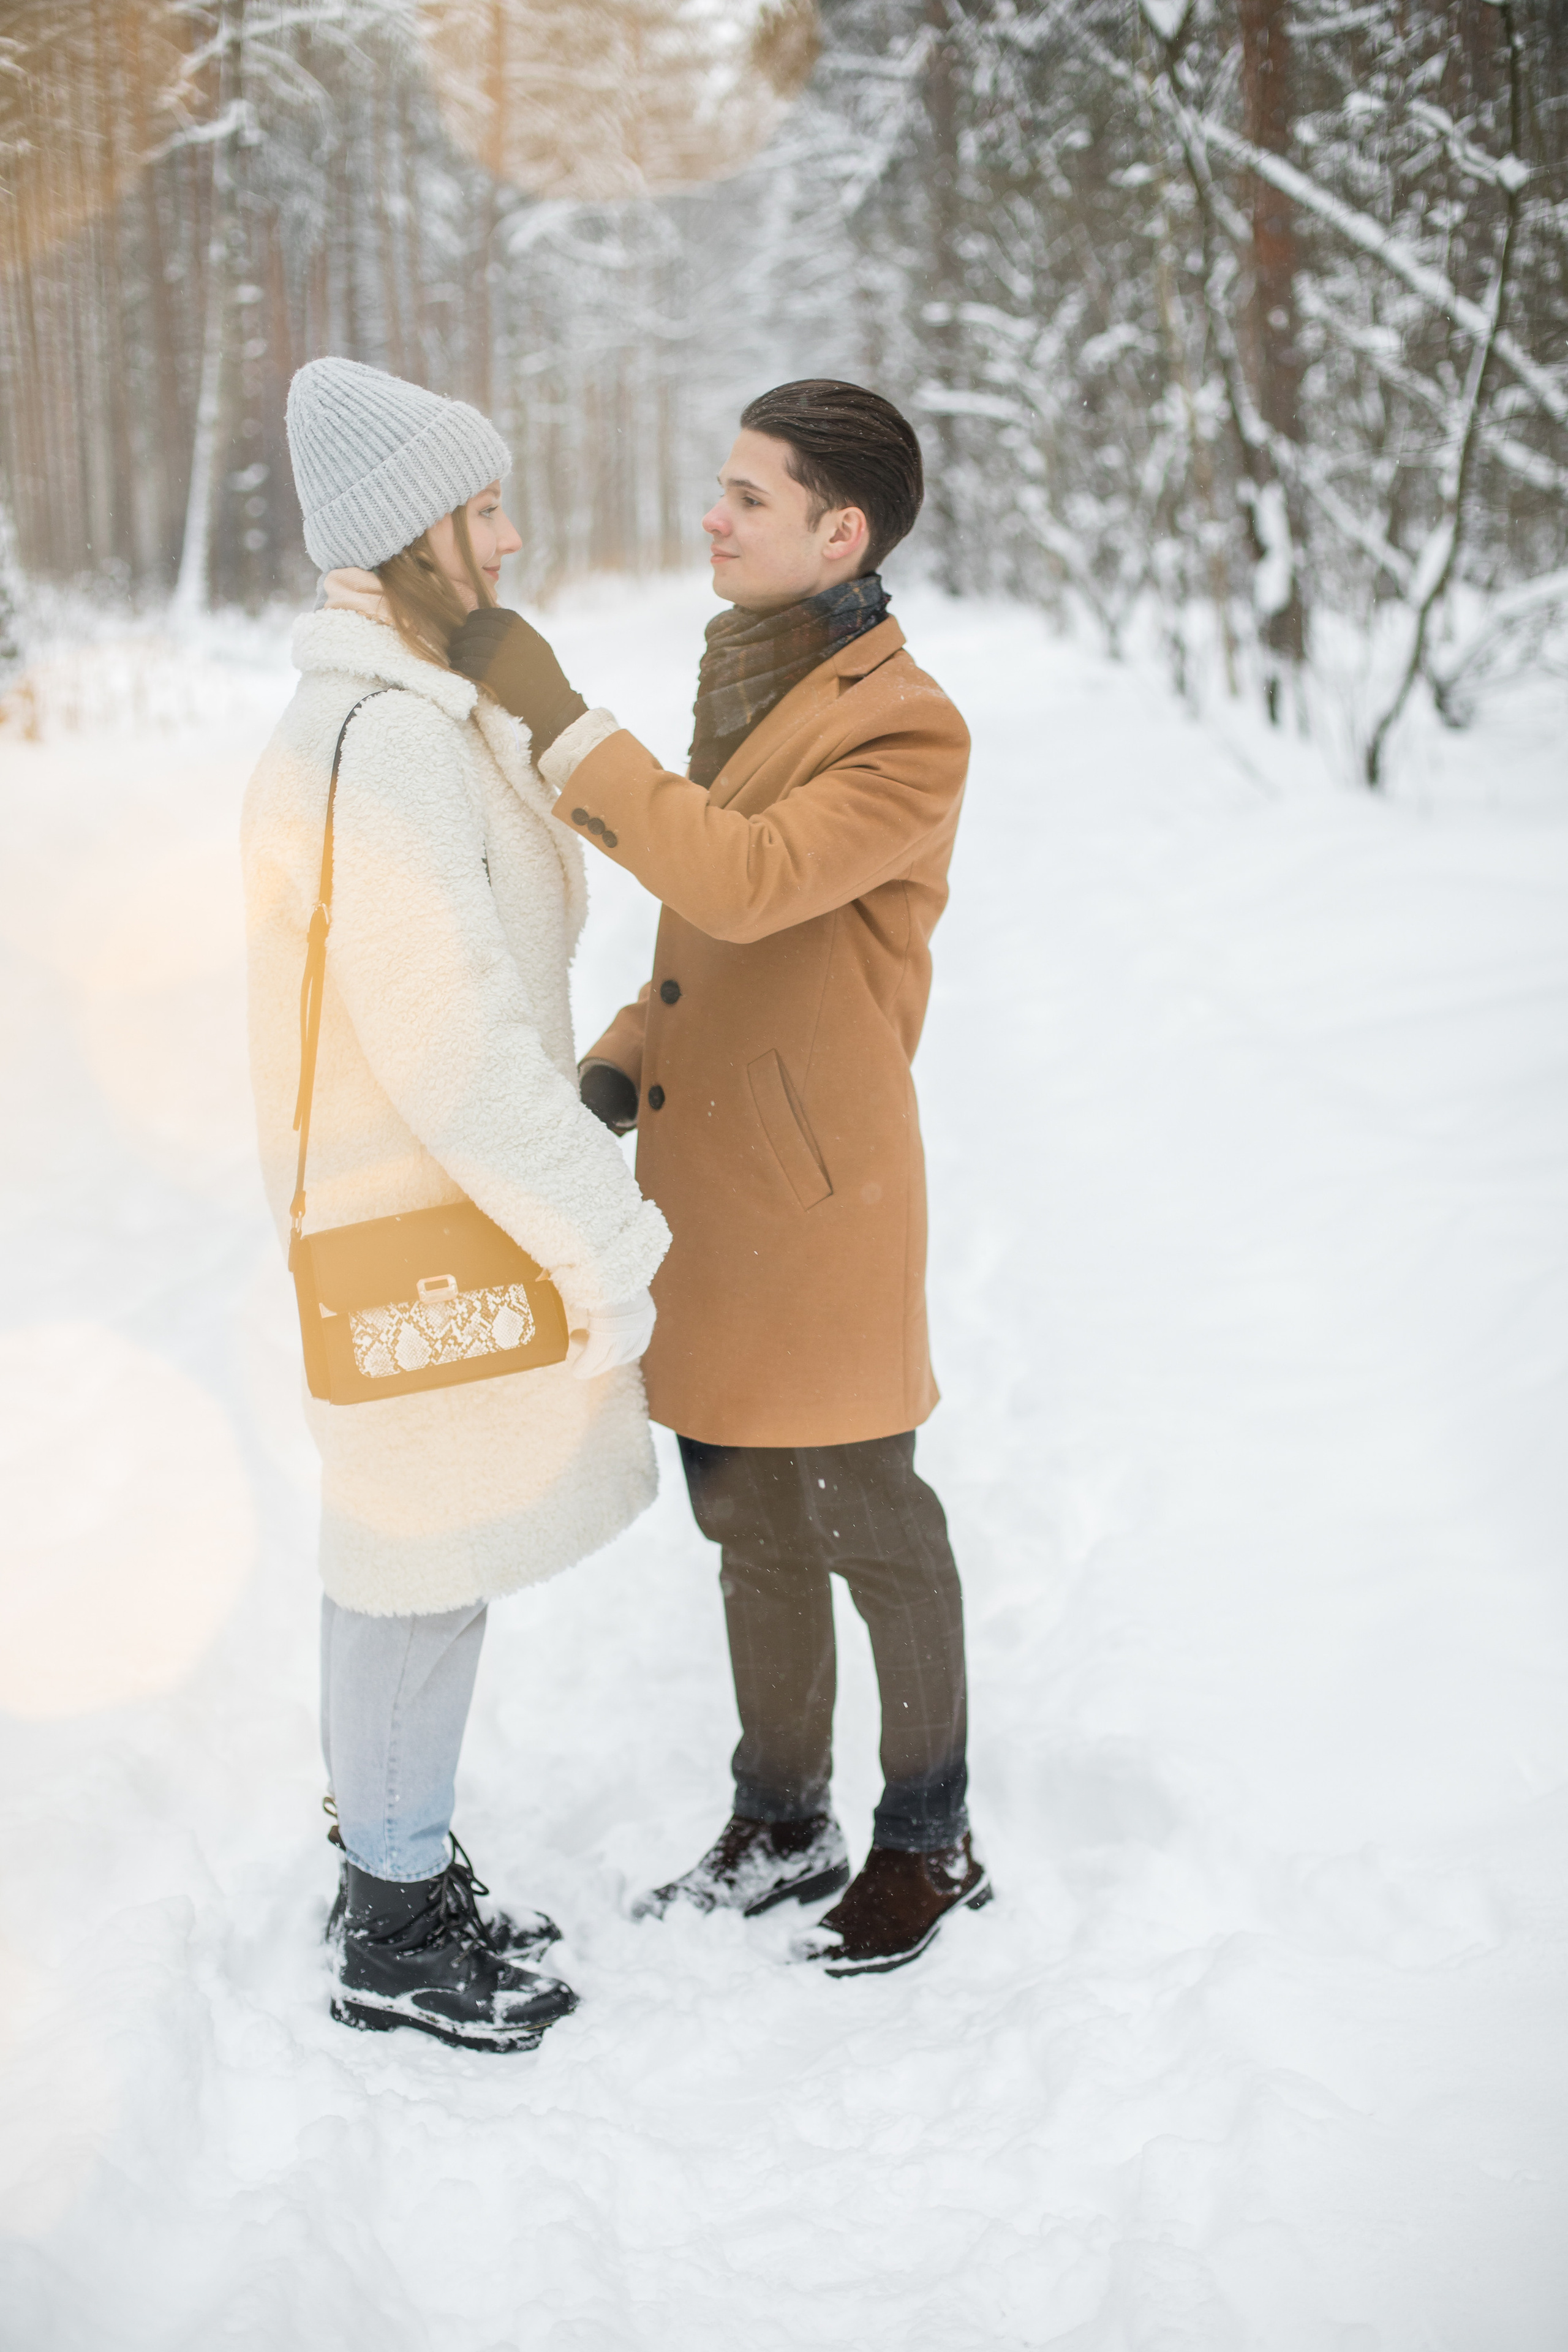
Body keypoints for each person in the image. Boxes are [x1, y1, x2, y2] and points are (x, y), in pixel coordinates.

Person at [445, 379, 989, 1977]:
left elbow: (743, 884)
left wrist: (555, 712)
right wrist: (618, 1058)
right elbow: (706, 944)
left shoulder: (908, 722)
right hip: (712, 1187)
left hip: (820, 1201)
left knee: (872, 1519)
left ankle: (929, 1836)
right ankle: (783, 1814)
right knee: (747, 1517)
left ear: (843, 531)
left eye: (750, 496)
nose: (713, 515)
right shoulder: (753, 678)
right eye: (722, 486)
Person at [243, 357, 670, 2051]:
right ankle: (396, 1933)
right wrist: (608, 1234)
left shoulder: (406, 710)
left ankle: (397, 1870)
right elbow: (456, 1046)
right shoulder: (384, 743)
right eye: (481, 507)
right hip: (420, 1217)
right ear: (408, 534)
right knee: (420, 1563)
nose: (510, 532)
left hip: (413, 1213)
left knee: (418, 1552)